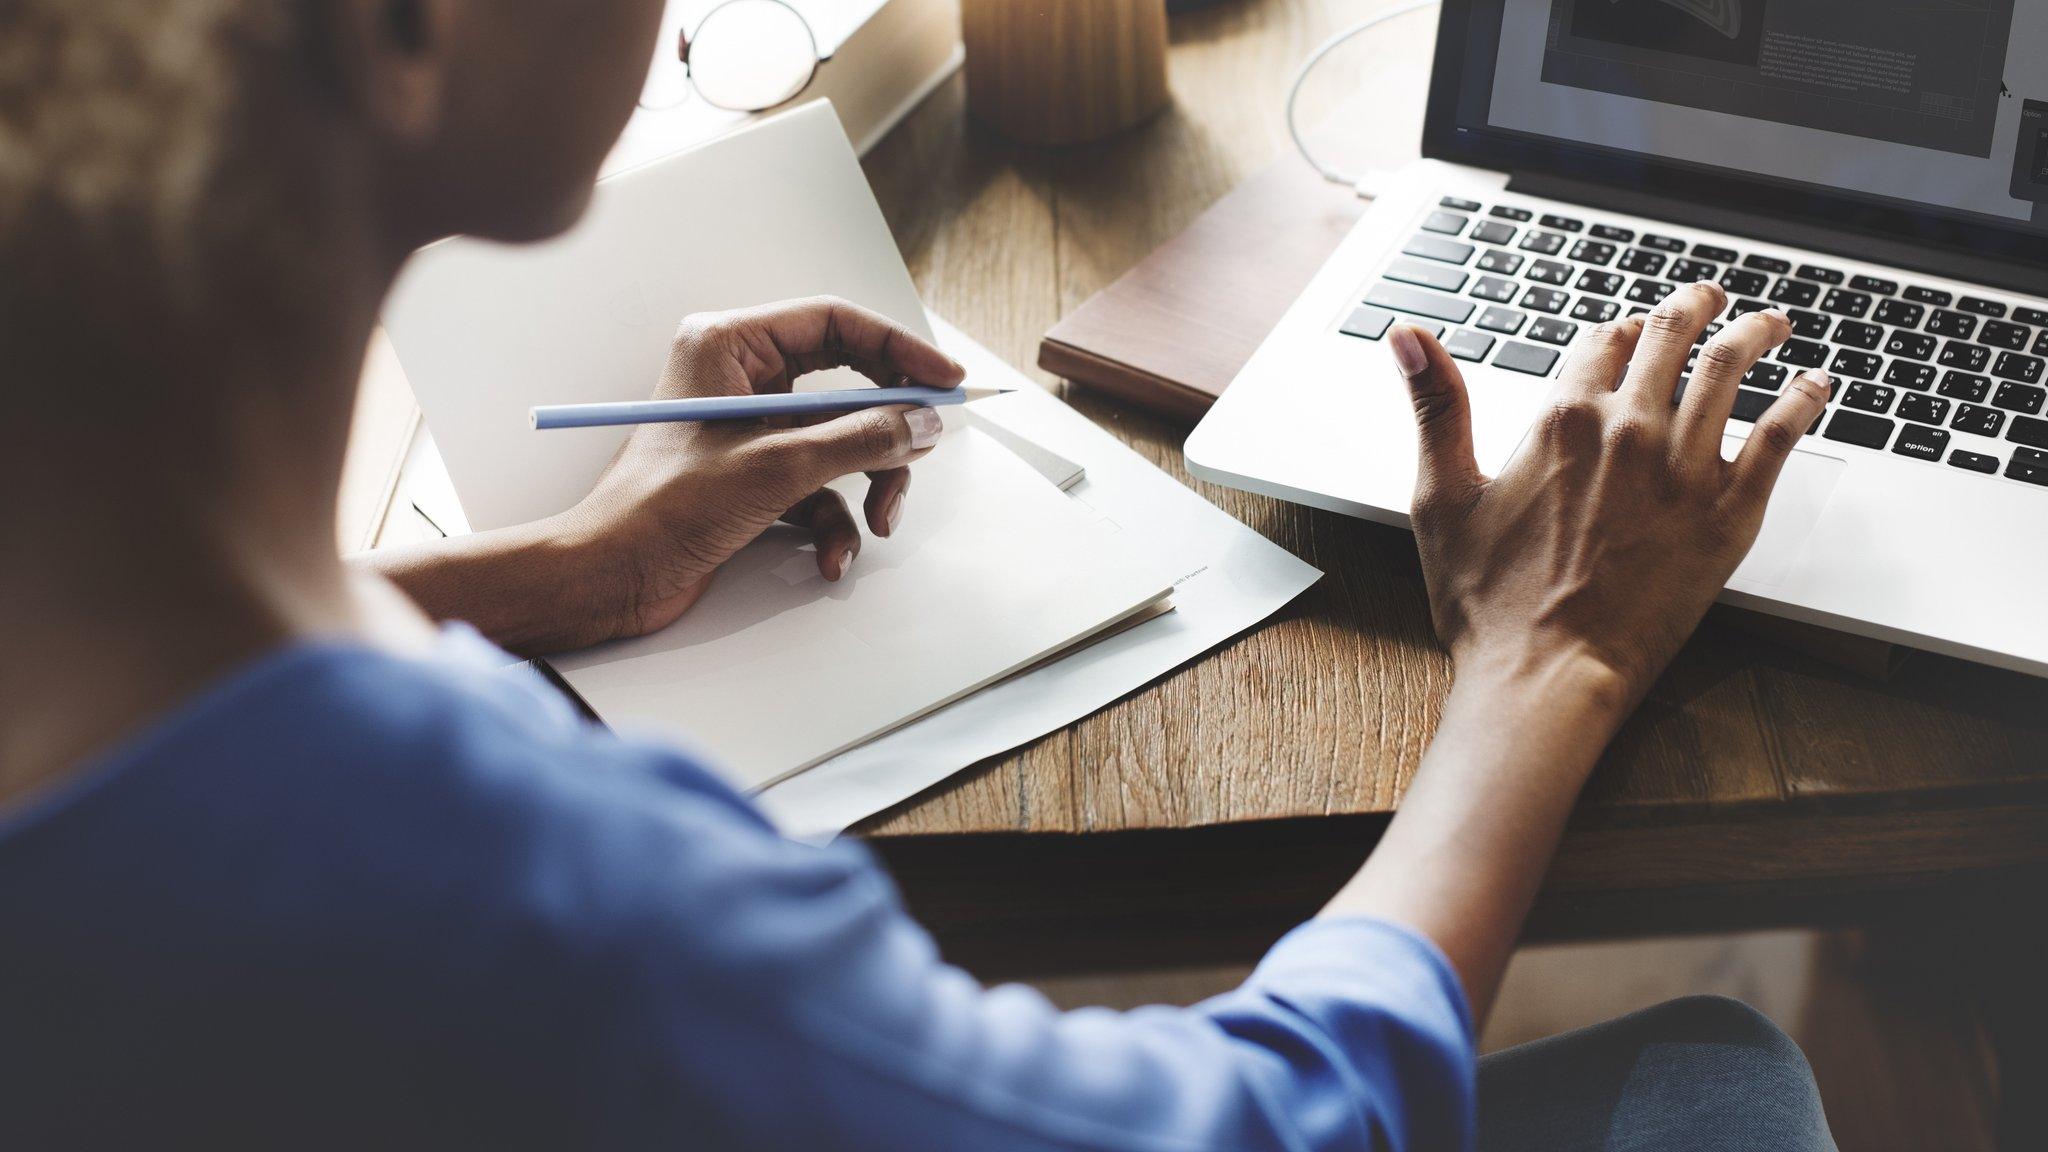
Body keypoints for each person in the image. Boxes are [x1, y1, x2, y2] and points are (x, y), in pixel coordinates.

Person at [0, 2, 1837, 1149]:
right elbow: (1267, 1125)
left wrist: (573, 571)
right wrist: (1551, 662)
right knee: (1713, 1084)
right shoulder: (551, 919)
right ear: (400, 30)